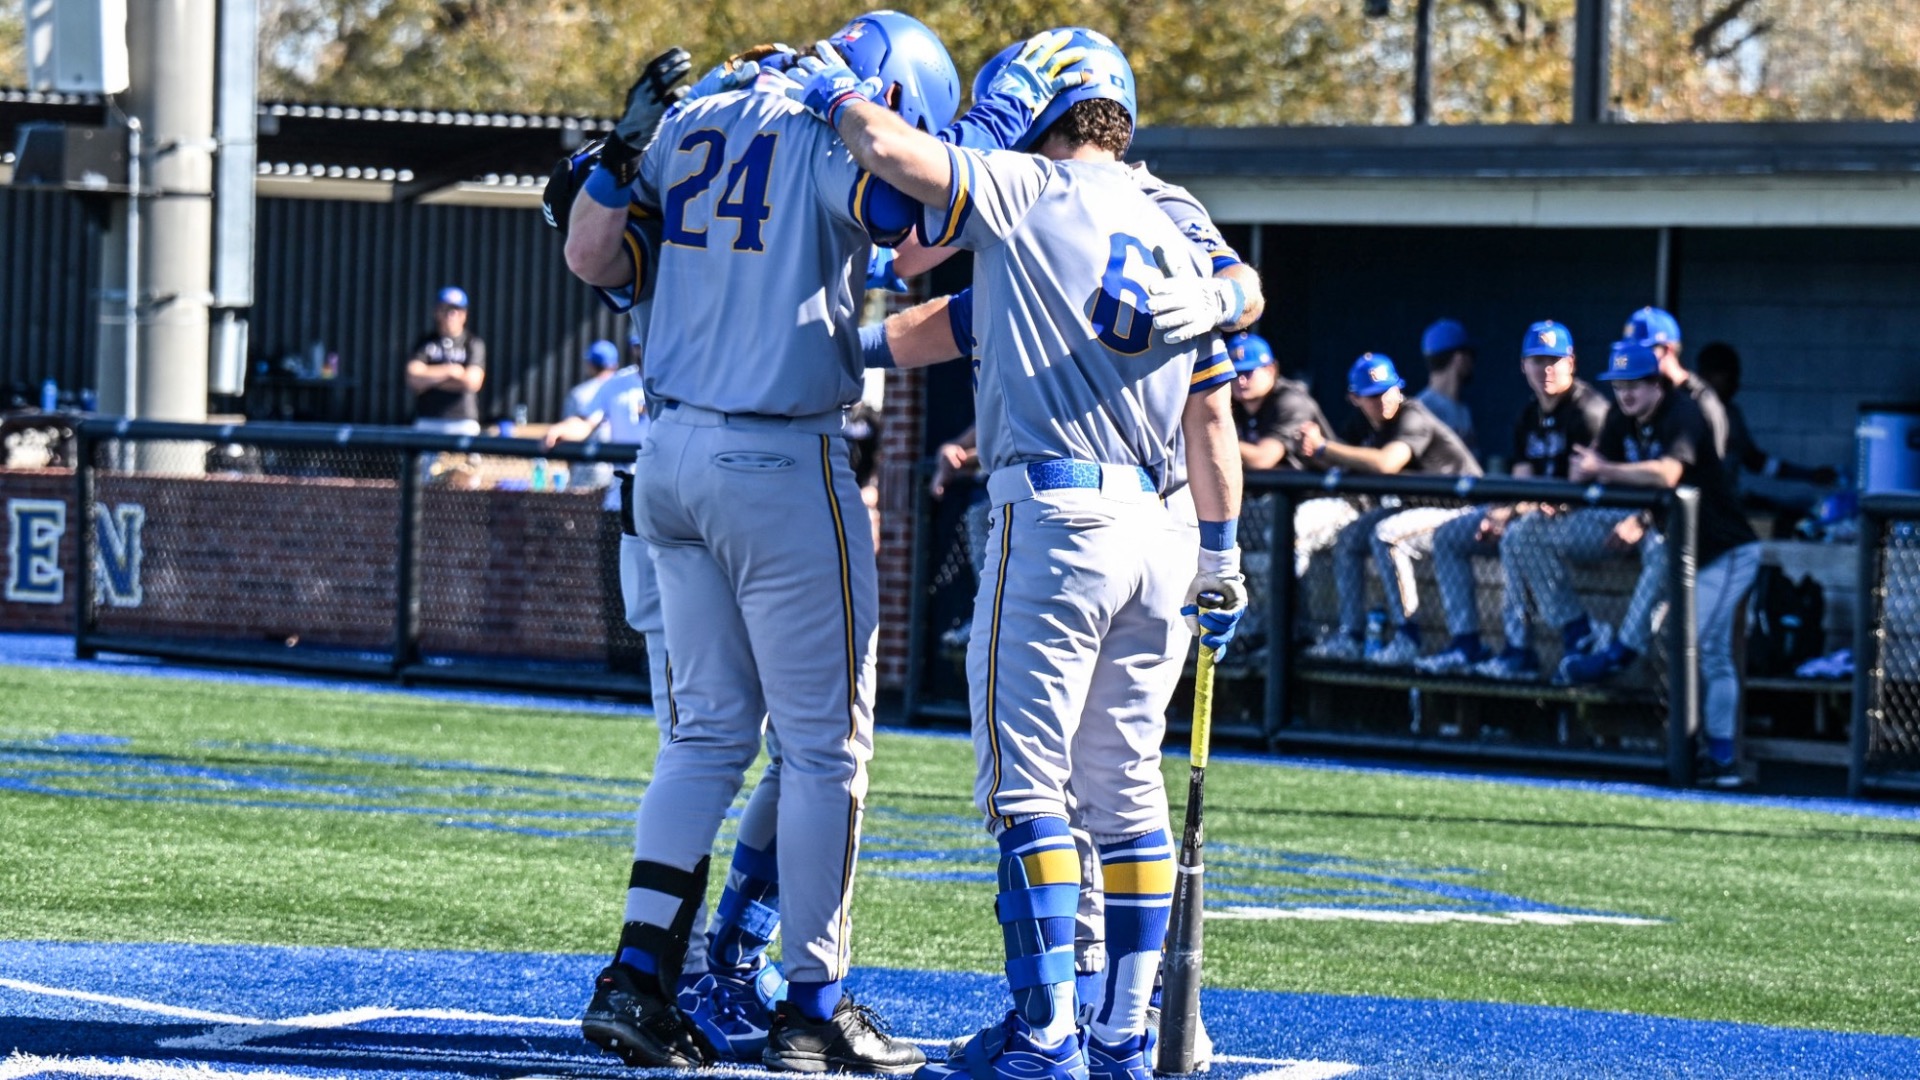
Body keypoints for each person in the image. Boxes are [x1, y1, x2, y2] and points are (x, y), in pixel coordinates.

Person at [795, 27, 1246, 1080]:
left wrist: (839, 102)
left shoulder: (1030, 186)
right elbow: (1213, 418)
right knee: (1126, 786)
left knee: (1029, 787)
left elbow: (903, 166)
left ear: (1042, 110)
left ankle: (1045, 1033)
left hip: (1054, 518)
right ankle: (1124, 1033)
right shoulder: (1177, 218)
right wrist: (1224, 554)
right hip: (1165, 533)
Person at [560, 14, 962, 1073]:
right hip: (778, 460)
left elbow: (589, 251)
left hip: (668, 454)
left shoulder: (695, 113)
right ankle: (813, 1001)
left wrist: (618, 150)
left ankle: (637, 977)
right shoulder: (829, 127)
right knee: (827, 748)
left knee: (701, 738)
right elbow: (916, 217)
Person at [544, 47, 799, 1068]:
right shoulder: (632, 237)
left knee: (786, 746)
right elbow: (602, 232)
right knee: (717, 744)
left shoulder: (677, 232)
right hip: (700, 485)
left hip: (694, 487)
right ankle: (687, 965)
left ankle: (709, 955)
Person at [1559, 340, 1760, 787]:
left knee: (1707, 651)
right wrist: (1593, 469)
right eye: (1619, 385)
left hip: (1725, 551)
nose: (1626, 394)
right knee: (1689, 651)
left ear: (1657, 384)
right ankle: (1697, 750)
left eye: (1636, 384)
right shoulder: (1620, 416)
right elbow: (1584, 469)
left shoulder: (1682, 413)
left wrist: (1603, 471)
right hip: (1680, 549)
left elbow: (1667, 474)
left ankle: (1723, 760)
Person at [1415, 321, 1611, 676]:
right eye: (1537, 361)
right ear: (1523, 366)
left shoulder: (1589, 410)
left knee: (1518, 536)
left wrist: (1511, 511)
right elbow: (1523, 483)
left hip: (1581, 520)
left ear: (1572, 362)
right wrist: (1502, 511)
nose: (1546, 369)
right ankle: (1466, 641)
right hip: (1534, 512)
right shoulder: (1526, 415)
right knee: (1449, 537)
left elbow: (1573, 490)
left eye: (1554, 360)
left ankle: (1519, 648)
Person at [1297, 354, 1480, 664]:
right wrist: (1310, 448)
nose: (1382, 400)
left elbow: (1386, 463)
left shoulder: (1412, 415)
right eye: (1372, 395)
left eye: (1387, 391)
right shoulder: (1361, 424)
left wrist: (1324, 448)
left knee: (1387, 534)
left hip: (1460, 509)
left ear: (1399, 388)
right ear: (1355, 398)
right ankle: (1352, 635)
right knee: (1351, 537)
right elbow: (1342, 459)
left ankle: (1407, 636)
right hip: (1416, 508)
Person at [1696, 341, 1841, 532]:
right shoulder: (1690, 412)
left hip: (1725, 507)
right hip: (1699, 509)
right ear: (1708, 375)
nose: (1736, 383)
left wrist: (1809, 475)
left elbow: (1756, 461)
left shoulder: (1732, 414)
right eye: (1729, 375)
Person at [406, 286, 486, 436]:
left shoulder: (473, 343)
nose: (451, 315)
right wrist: (452, 371)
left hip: (463, 421)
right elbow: (414, 378)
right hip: (428, 420)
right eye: (445, 309)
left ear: (464, 314)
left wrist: (430, 380)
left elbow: (472, 382)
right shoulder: (426, 342)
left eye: (456, 310)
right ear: (436, 312)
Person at [1416, 317, 1477, 454]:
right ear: (1459, 358)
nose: (1472, 363)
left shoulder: (1463, 410)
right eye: (1470, 355)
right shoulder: (1422, 408)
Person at [567, 340, 622, 420]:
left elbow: (569, 427)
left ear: (591, 365)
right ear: (615, 365)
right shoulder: (627, 389)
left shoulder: (579, 393)